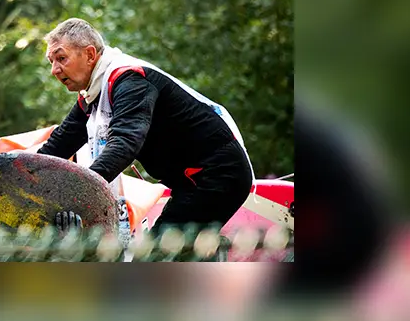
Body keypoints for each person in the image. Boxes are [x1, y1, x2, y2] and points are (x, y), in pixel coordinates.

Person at [38, 18, 254, 235]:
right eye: (51, 62)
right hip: (193, 181)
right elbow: (59, 144)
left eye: (61, 58)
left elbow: (124, 143)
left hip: (219, 174)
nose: (54, 70)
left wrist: (79, 195)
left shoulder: (130, 80)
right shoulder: (94, 93)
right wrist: (19, 174)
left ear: (90, 55)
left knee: (160, 257)